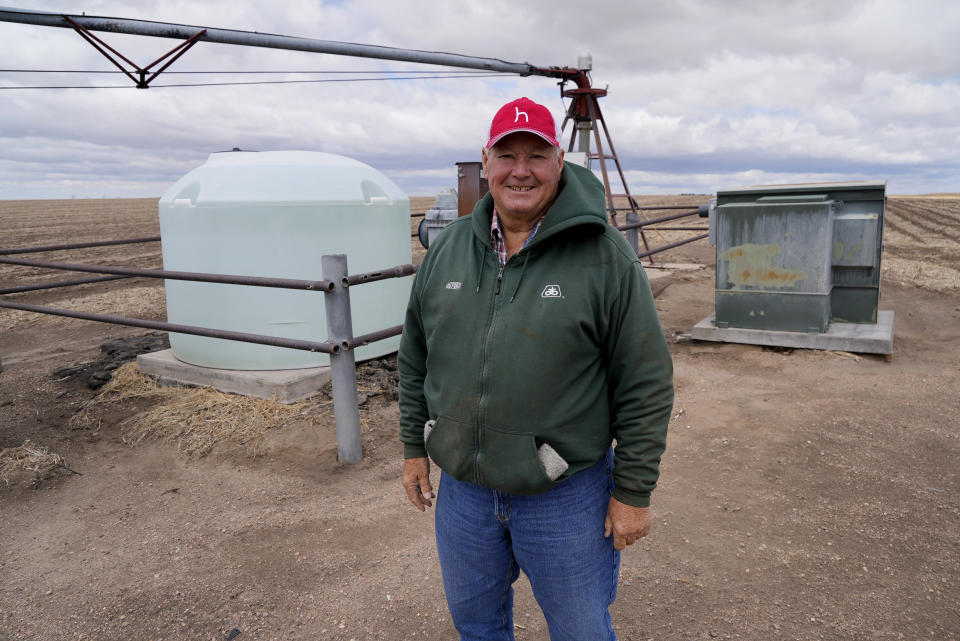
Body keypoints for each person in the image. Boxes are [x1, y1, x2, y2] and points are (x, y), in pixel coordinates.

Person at [398, 96, 674, 641]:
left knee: (581, 632)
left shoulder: (604, 257)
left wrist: (634, 492)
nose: (520, 170)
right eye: (507, 155)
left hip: (565, 494)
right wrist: (414, 449)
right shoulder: (450, 249)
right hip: (465, 493)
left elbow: (644, 382)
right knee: (477, 628)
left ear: (559, 161)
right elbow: (416, 357)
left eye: (536, 155)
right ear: (486, 162)